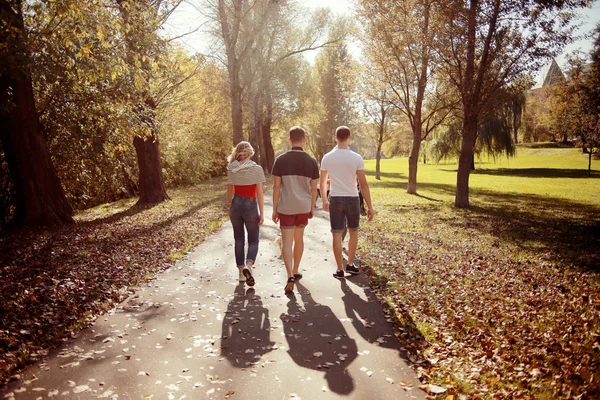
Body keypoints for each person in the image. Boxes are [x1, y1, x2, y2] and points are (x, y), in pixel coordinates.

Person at [320, 126, 374, 279]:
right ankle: (350, 264)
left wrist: (324, 199)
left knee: (336, 234)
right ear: (349, 138)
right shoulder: (356, 157)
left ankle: (339, 269)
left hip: (335, 199)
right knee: (353, 231)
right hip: (352, 198)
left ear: (335, 138)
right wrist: (370, 207)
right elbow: (363, 184)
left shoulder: (327, 157)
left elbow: (322, 182)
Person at [272, 126, 319, 293]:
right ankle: (296, 269)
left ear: (289, 140)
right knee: (299, 239)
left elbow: (276, 187)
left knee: (286, 241)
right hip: (303, 207)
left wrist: (275, 208)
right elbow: (314, 189)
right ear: (304, 140)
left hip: (286, 207)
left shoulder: (280, 160)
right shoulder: (312, 162)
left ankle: (289, 274)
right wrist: (312, 207)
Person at [226, 141, 265, 286]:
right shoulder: (256, 168)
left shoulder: (232, 168)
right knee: (253, 239)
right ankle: (249, 265)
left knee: (238, 239)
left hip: (236, 204)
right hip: (250, 204)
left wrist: (230, 203)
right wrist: (261, 213)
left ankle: (241, 273)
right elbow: (260, 193)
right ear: (250, 152)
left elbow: (230, 190)